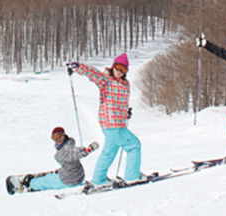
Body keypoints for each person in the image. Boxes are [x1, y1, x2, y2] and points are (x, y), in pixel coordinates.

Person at [67, 54, 146, 186]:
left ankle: (99, 180)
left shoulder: (125, 84)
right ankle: (132, 176)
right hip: (112, 124)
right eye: (118, 67)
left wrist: (126, 113)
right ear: (113, 66)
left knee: (109, 152)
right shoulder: (106, 80)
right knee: (134, 145)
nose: (120, 72)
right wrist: (78, 67)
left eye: (124, 70)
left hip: (118, 123)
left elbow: (119, 102)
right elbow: (93, 73)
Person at [25, 126, 99, 191]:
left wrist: (88, 150)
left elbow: (76, 153)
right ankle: (56, 174)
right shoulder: (66, 146)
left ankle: (31, 184)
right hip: (78, 177)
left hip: (69, 181)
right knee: (51, 177)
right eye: (54, 138)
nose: (57, 139)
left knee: (46, 181)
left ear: (64, 136)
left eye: (59, 136)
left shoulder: (67, 150)